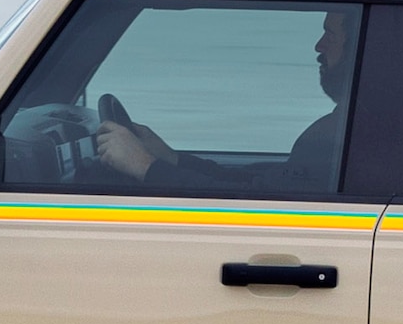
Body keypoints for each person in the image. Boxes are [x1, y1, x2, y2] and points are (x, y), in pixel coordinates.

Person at [88, 11, 354, 192]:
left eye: (330, 35)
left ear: (356, 48)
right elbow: (262, 183)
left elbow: (253, 203)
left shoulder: (337, 137)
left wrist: (146, 167)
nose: (318, 46)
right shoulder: (343, 130)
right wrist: (171, 159)